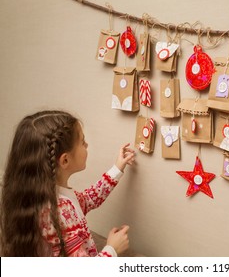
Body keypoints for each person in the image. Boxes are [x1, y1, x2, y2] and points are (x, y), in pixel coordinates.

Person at [0, 110, 136, 257]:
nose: (87, 144)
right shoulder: (59, 213)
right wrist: (112, 249)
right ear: (65, 160)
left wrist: (117, 168)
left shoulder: (44, 197)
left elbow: (88, 199)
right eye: (83, 142)